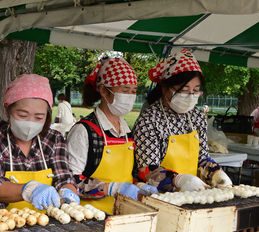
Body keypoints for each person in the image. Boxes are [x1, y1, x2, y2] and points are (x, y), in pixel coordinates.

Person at [0, 74, 79, 213]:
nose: (30, 123)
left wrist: (68, 191)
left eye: (39, 117)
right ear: (7, 109)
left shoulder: (54, 140)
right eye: (22, 115)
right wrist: (29, 190)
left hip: (45, 225)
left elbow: (64, 177)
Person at [67, 57, 158, 214]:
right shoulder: (84, 131)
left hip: (126, 213)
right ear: (103, 91)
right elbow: (70, 181)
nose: (130, 96)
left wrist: (139, 185)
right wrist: (110, 188)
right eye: (124, 90)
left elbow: (130, 174)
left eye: (134, 91)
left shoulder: (126, 131)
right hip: (92, 218)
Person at [133, 49, 232, 192]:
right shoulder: (149, 120)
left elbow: (202, 158)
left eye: (196, 90)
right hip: (159, 196)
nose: (191, 96)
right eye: (184, 90)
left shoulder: (197, 117)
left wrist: (215, 172)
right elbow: (147, 169)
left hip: (195, 193)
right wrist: (178, 180)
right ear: (165, 88)